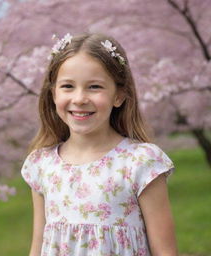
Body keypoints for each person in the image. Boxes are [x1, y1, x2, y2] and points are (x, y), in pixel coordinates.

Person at [21, 32, 178, 256]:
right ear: (53, 94)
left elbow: (166, 251)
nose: (80, 98)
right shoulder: (41, 164)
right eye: (67, 86)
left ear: (119, 95)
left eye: (94, 87)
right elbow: (38, 246)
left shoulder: (141, 162)